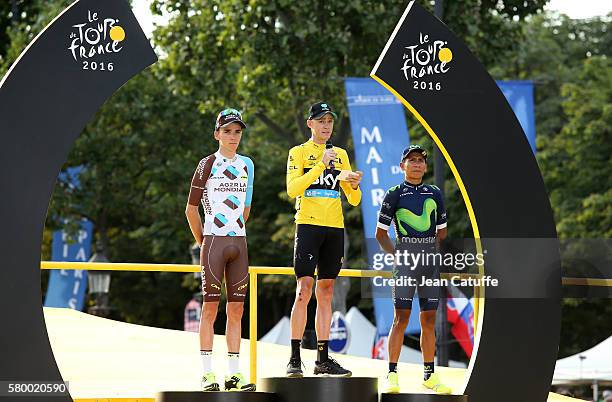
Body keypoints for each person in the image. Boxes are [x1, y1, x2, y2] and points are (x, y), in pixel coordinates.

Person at [285, 101, 363, 377]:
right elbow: (293, 189)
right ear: (310, 124)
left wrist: (354, 185)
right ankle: (295, 357)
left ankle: (323, 358)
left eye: (329, 121)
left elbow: (353, 200)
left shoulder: (340, 154)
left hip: (335, 228)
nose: (326, 126)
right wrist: (320, 166)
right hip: (308, 225)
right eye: (321, 121)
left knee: (326, 291)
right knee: (304, 290)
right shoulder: (299, 152)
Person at [185, 108, 256, 392]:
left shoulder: (248, 164)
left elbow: (247, 208)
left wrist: (233, 229)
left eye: (237, 131)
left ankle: (234, 374)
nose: (232, 136)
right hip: (213, 241)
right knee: (210, 309)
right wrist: (204, 241)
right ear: (217, 134)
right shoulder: (207, 163)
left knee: (237, 310)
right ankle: (207, 373)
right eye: (227, 131)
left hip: (239, 242)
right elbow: (191, 209)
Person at [375, 144, 451, 394]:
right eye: (412, 160)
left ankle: (429, 374)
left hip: (428, 262)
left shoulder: (435, 192)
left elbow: (442, 232)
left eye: (421, 160)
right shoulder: (394, 193)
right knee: (401, 318)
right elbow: (380, 234)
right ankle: (392, 374)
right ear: (402, 166)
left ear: (426, 166)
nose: (417, 163)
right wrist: (399, 256)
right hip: (405, 261)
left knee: (429, 319)